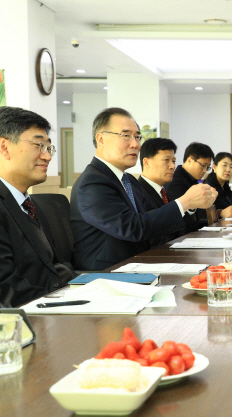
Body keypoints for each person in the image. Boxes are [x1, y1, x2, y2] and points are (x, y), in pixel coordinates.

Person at [70, 107, 217, 271]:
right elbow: (133, 228)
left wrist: (189, 205)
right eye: (126, 136)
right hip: (108, 274)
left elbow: (153, 219)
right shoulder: (92, 182)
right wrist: (185, 202)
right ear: (101, 139)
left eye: (137, 137)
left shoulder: (128, 180)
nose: (135, 144)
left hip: (138, 264)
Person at [0, 106, 76, 307]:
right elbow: (6, 291)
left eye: (48, 148)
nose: (47, 157)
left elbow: (53, 268)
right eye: (38, 145)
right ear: (4, 147)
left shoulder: (30, 205)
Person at [165, 142, 215, 230]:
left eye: (208, 167)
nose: (205, 171)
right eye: (203, 165)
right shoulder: (176, 181)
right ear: (190, 160)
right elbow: (184, 217)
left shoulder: (192, 180)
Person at [138, 138, 178, 210]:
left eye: (173, 161)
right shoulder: (138, 193)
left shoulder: (163, 192)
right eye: (166, 160)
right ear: (146, 163)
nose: (173, 166)